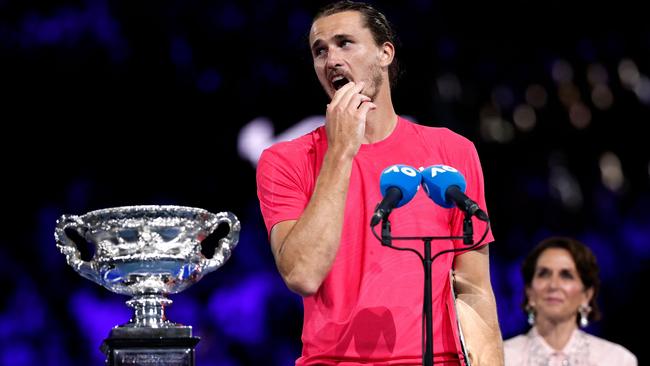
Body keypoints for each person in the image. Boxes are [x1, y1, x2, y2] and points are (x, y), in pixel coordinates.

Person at [256, 1, 503, 364]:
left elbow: (474, 287)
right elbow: (302, 274)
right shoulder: (286, 161)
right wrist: (340, 152)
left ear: (385, 52)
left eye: (345, 43)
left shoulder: (453, 151)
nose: (331, 59)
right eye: (319, 50)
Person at [504, 236, 637, 366]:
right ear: (529, 291)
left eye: (566, 275)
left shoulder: (616, 359)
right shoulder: (503, 357)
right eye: (543, 274)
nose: (553, 285)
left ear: (586, 295)